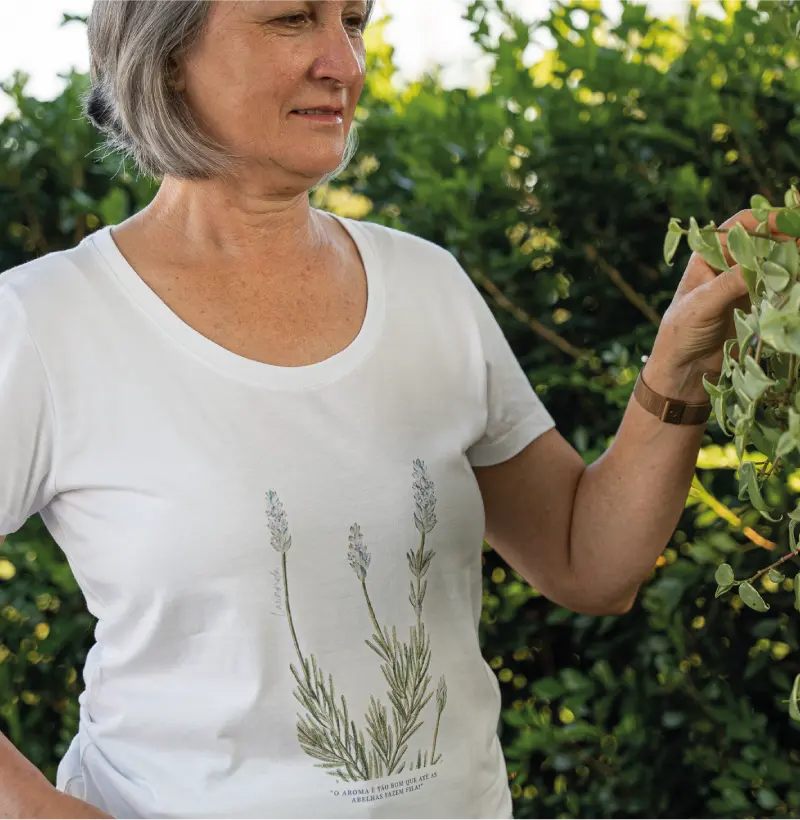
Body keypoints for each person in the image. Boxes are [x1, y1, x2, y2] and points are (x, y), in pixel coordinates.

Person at [0, 0, 755, 818]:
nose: (344, 63)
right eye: (292, 19)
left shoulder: (427, 286)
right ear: (166, 53)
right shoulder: (48, 321)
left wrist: (682, 366)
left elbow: (588, 563)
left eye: (353, 21)